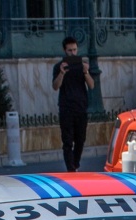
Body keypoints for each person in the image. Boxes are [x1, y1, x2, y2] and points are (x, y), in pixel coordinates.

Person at [52, 36, 94, 171]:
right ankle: (71, 169)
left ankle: (75, 164)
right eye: (70, 50)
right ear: (65, 51)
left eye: (75, 50)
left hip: (81, 107)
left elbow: (92, 85)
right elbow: (55, 86)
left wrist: (86, 72)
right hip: (66, 107)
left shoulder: (82, 65)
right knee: (67, 141)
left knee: (80, 140)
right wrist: (62, 73)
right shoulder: (58, 67)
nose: (73, 53)